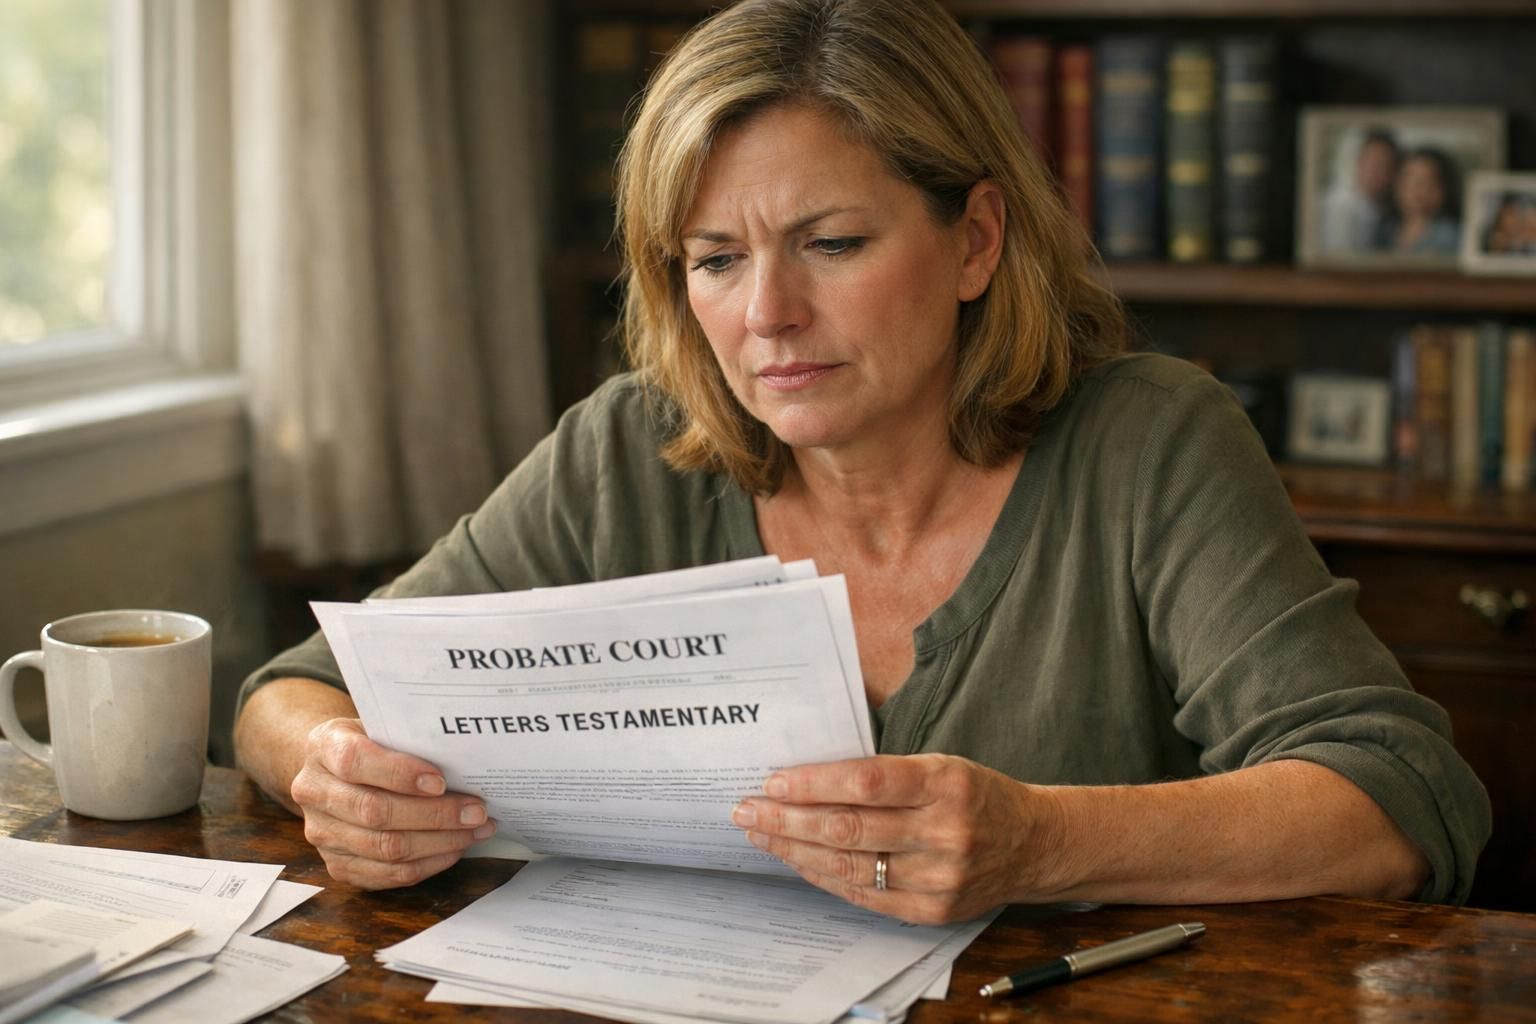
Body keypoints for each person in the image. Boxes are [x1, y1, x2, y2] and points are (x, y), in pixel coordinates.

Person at [234, 0, 1489, 924]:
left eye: (830, 242)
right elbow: (285, 695)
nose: (766, 314)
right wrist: (338, 773)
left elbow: (1399, 798)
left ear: (977, 241)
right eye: (716, 259)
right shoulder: (631, 444)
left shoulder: (1150, 443)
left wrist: (1042, 840)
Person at [1319, 129, 1398, 254]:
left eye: (1387, 165)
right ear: (1359, 162)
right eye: (1374, 162)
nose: (1379, 172)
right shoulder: (1336, 205)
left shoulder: (1389, 209)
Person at [1375, 146, 1461, 255]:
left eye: (1427, 182)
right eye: (1410, 180)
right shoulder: (1385, 230)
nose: (1417, 190)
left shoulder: (1452, 235)